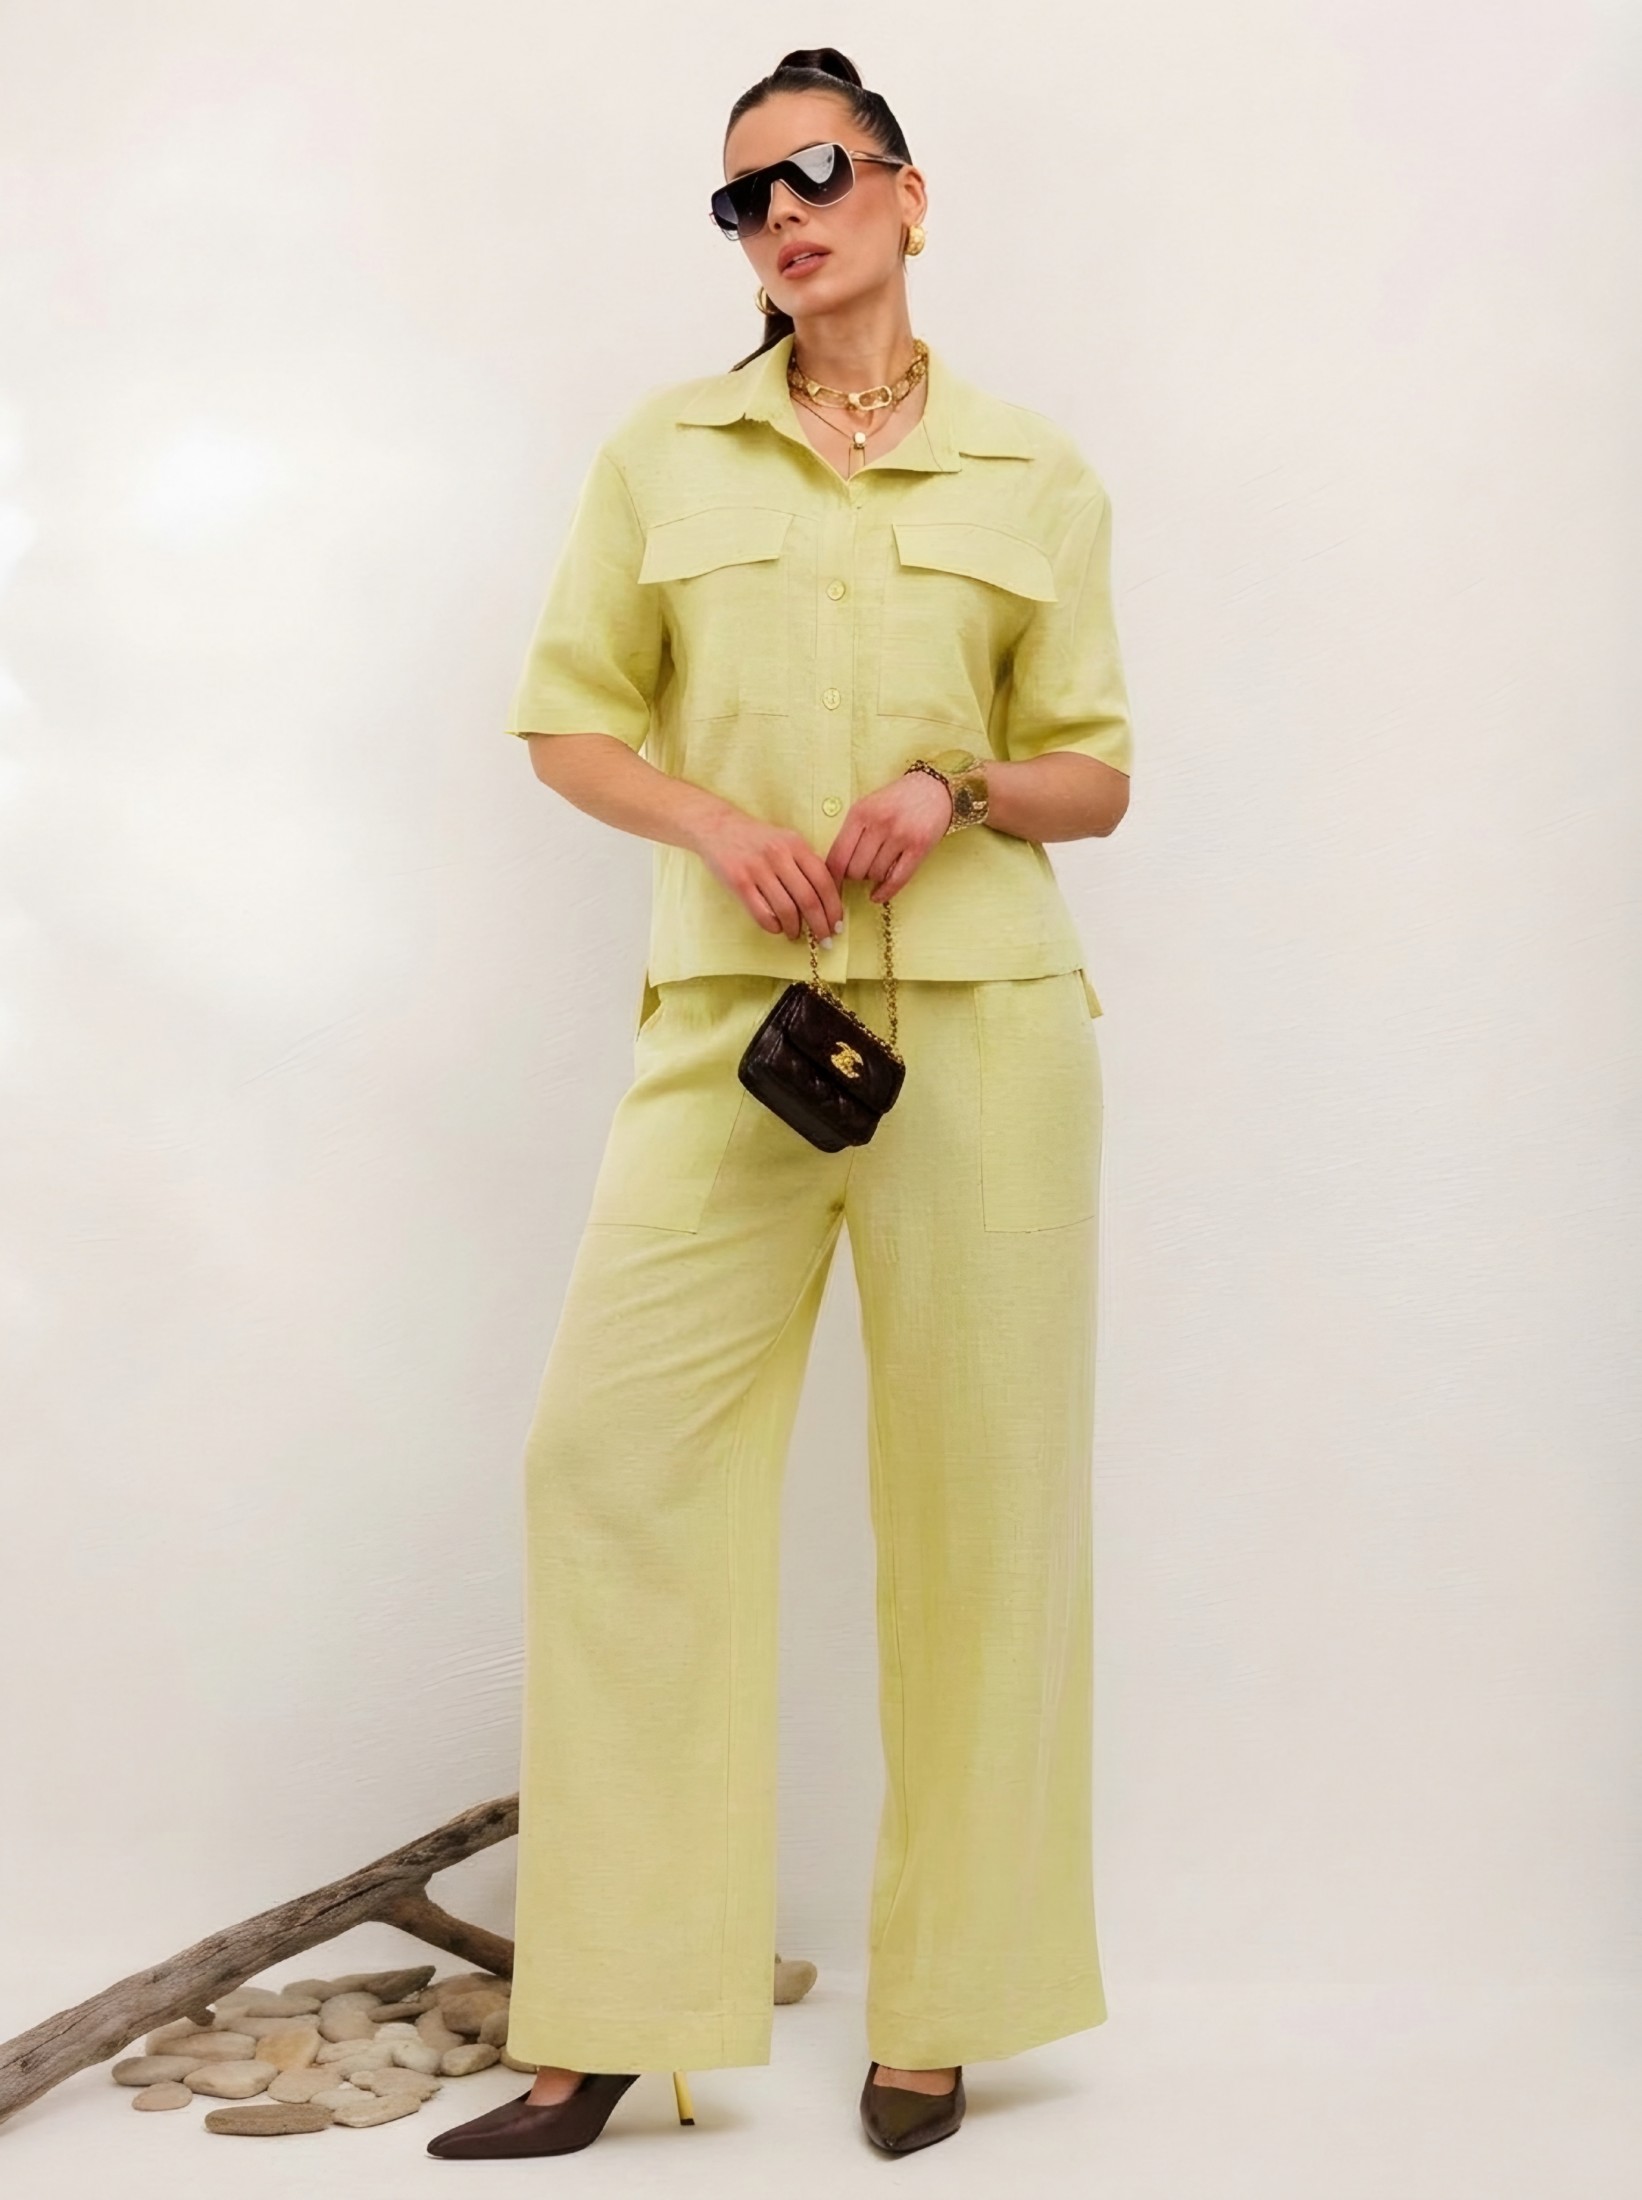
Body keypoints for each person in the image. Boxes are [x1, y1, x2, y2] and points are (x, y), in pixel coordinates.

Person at [427, 43, 1133, 2164]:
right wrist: (716, 825)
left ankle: (952, 2006)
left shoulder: (1031, 470)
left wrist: (958, 785)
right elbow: (568, 720)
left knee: (984, 1514)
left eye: (813, 173)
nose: (778, 217)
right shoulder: (664, 453)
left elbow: (1093, 770)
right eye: (740, 198)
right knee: (608, 1463)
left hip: (985, 1036)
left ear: (907, 193)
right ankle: (607, 2008)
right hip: (734, 1030)